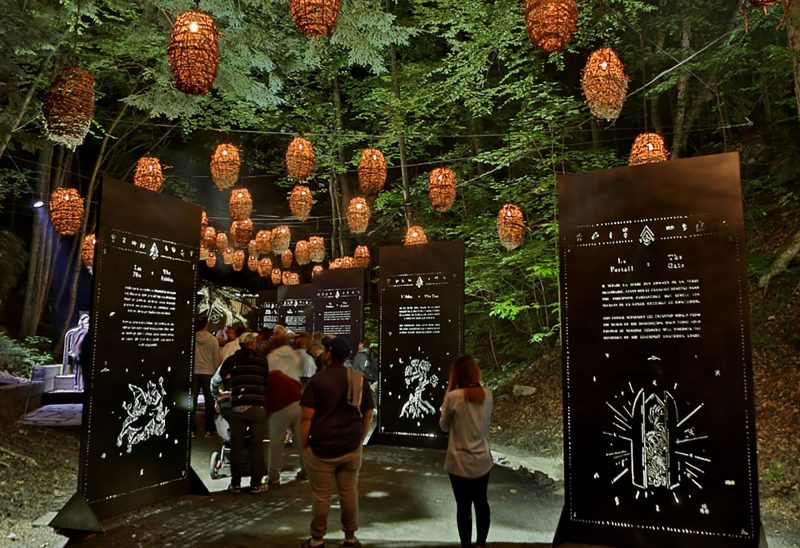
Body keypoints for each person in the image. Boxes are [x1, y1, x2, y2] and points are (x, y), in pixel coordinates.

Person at [299, 337, 374, 548]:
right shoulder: (358, 379)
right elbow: (368, 411)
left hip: (322, 448)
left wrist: (304, 445)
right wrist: (360, 437)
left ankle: (317, 540)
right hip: (350, 446)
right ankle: (350, 537)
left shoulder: (318, 381)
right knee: (349, 493)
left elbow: (306, 417)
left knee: (321, 496)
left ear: (329, 355)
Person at [439, 356, 493, 548]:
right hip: (482, 459)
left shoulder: (453, 397)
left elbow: (444, 426)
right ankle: (481, 544)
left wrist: (445, 405)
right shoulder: (488, 395)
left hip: (458, 460)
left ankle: (466, 546)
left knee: (463, 506)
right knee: (481, 502)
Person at [218, 332, 269, 494]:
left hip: (237, 407)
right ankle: (256, 483)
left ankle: (235, 483)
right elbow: (267, 382)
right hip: (256, 407)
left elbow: (221, 374)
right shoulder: (261, 361)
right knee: (257, 446)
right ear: (253, 345)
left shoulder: (232, 360)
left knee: (236, 446)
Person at [266, 367, 304, 485]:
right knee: (301, 441)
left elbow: (267, 401)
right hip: (299, 406)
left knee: (276, 444)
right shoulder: (287, 378)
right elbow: (300, 388)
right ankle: (307, 471)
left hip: (280, 409)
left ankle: (274, 476)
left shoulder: (268, 381)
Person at [193, 315, 220, 437]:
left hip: (194, 372)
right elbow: (216, 358)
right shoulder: (213, 340)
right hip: (208, 373)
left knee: (191, 401)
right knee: (209, 402)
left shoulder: (192, 338)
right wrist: (216, 373)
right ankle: (209, 429)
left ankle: (191, 428)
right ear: (206, 325)